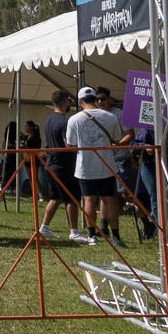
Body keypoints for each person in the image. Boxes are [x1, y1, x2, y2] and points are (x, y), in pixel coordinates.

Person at [66, 87, 132, 248]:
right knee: (109, 200)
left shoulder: (74, 119)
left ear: (81, 101)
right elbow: (117, 139)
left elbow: (71, 144)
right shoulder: (110, 117)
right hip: (107, 165)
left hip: (85, 167)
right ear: (95, 99)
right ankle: (115, 236)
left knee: (89, 200)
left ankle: (91, 235)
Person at [36, 90, 83, 241]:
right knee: (72, 199)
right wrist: (80, 148)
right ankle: (74, 231)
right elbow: (67, 143)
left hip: (52, 164)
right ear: (65, 102)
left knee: (55, 198)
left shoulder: (49, 120)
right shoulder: (65, 122)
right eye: (69, 101)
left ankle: (44, 228)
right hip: (64, 166)